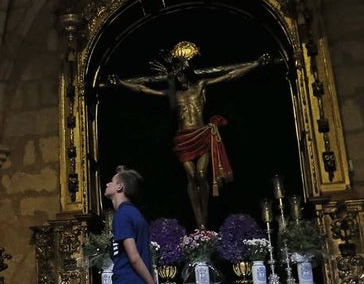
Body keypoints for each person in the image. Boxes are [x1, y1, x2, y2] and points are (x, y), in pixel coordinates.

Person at [109, 41, 271, 229]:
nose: (178, 78)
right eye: (175, 76)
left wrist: (256, 64)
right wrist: (120, 82)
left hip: (201, 135)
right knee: (192, 176)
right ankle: (199, 221)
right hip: (184, 139)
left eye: (180, 73)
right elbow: (143, 89)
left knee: (201, 175)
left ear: (186, 72)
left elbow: (229, 76)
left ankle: (204, 220)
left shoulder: (200, 86)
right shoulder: (174, 95)